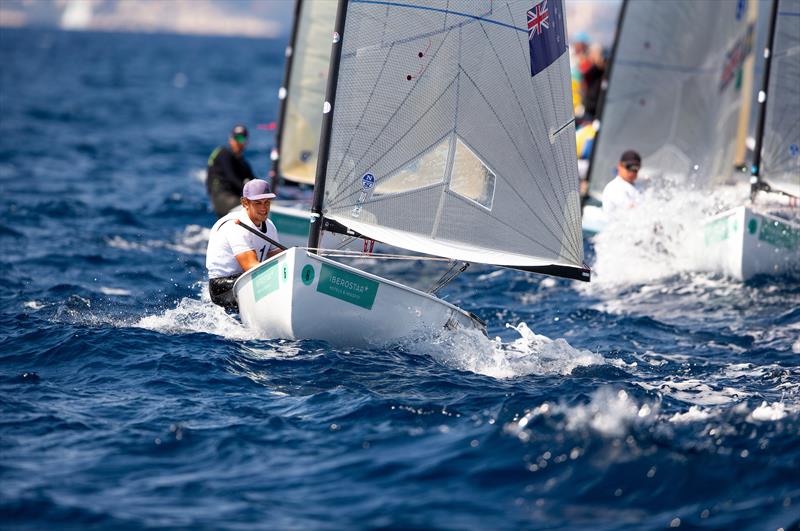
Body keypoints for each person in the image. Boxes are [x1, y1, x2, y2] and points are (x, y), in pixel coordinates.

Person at [206, 179, 282, 310]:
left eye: (267, 203)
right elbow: (250, 266)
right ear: (245, 203)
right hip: (222, 287)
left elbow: (280, 259)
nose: (264, 208)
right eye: (258, 203)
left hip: (247, 279)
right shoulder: (236, 226)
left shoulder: (270, 226)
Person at [206, 124, 258, 218]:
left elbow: (254, 181)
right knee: (255, 207)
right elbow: (231, 178)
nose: (238, 142)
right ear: (230, 139)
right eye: (236, 138)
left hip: (235, 197)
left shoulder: (243, 163)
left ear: (246, 142)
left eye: (242, 139)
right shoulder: (223, 153)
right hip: (222, 196)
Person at [602, 150, 643, 218]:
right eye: (629, 166)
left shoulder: (640, 187)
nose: (632, 171)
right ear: (619, 166)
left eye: (636, 167)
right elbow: (632, 212)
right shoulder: (613, 188)